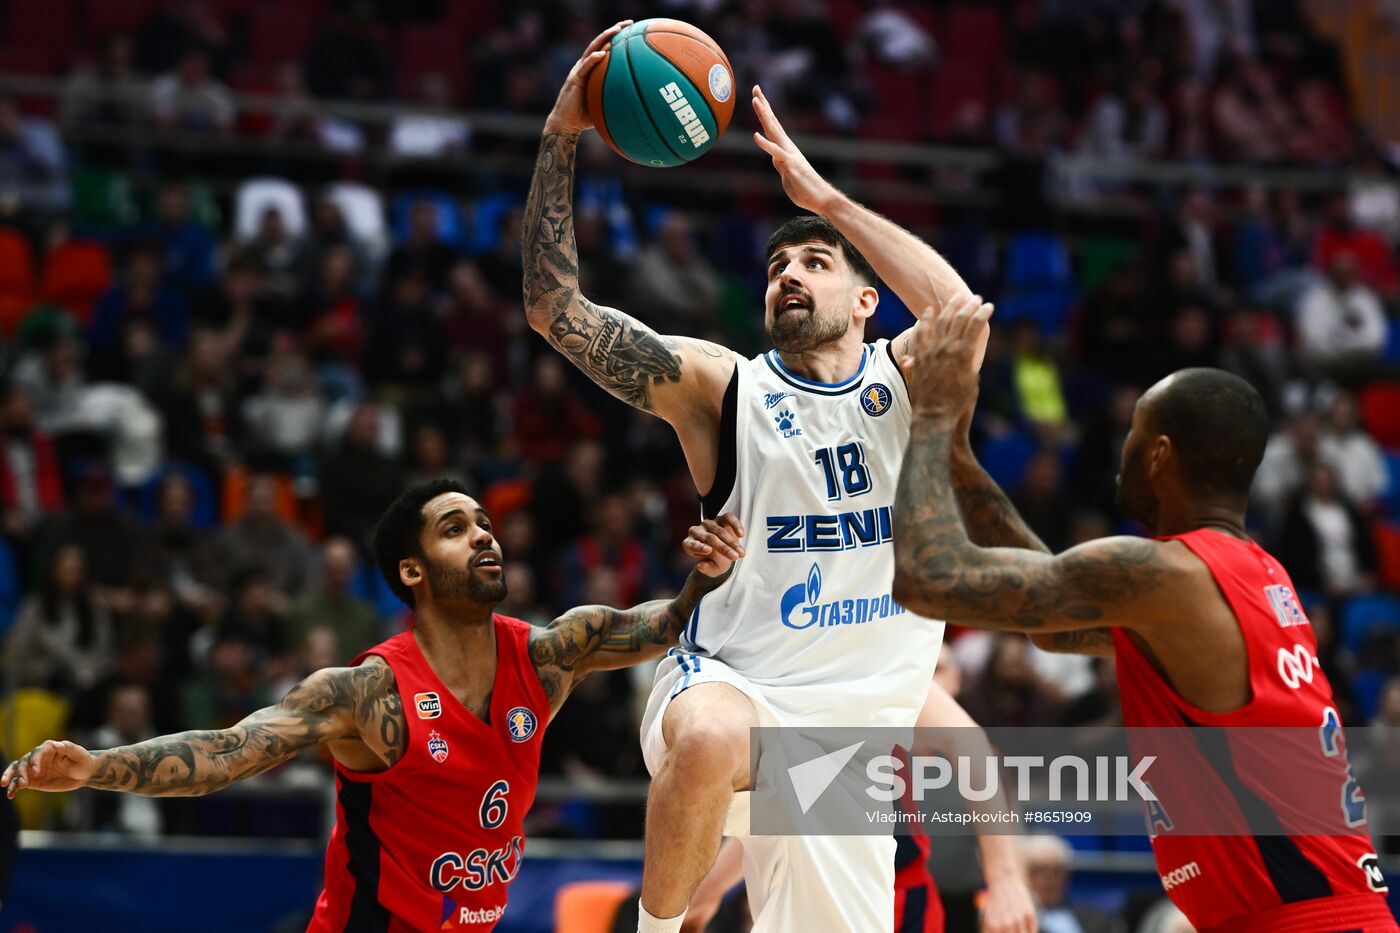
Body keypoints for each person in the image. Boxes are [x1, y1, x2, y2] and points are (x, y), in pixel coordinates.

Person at [523, 23, 1030, 933]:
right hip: (732, 689)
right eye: (776, 265)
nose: (789, 273)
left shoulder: (906, 383)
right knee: (712, 732)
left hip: (844, 750)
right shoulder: (727, 387)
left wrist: (824, 198)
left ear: (867, 302)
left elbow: (962, 312)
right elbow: (555, 310)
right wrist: (563, 133)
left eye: (815, 261)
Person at [4, 479, 738, 931]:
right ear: (411, 571)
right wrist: (97, 765)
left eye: (483, 521)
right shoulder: (368, 693)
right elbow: (229, 751)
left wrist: (706, 572)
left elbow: (668, 623)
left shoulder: (550, 655)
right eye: (455, 528)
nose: (483, 532)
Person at [889, 295, 1397, 933]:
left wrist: (930, 413)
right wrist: (958, 456)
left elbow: (927, 578)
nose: (1120, 449)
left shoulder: (1173, 575)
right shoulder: (1248, 573)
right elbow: (1059, 622)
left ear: (1158, 455)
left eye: (1131, 433)